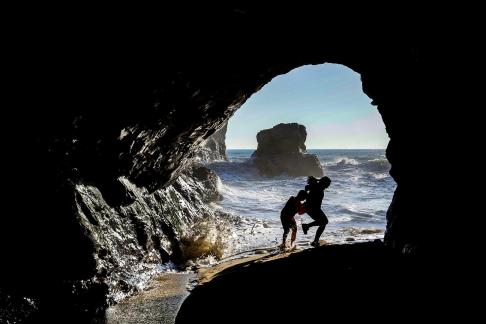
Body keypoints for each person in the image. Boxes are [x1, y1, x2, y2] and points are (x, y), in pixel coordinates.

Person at [302, 176, 331, 247]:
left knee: (323, 222)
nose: (327, 187)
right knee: (324, 222)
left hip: (313, 208)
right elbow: (307, 188)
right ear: (324, 183)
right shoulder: (317, 187)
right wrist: (306, 198)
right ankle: (314, 239)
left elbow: (306, 187)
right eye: (327, 185)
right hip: (312, 208)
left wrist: (306, 197)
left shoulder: (317, 186)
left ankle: (315, 240)